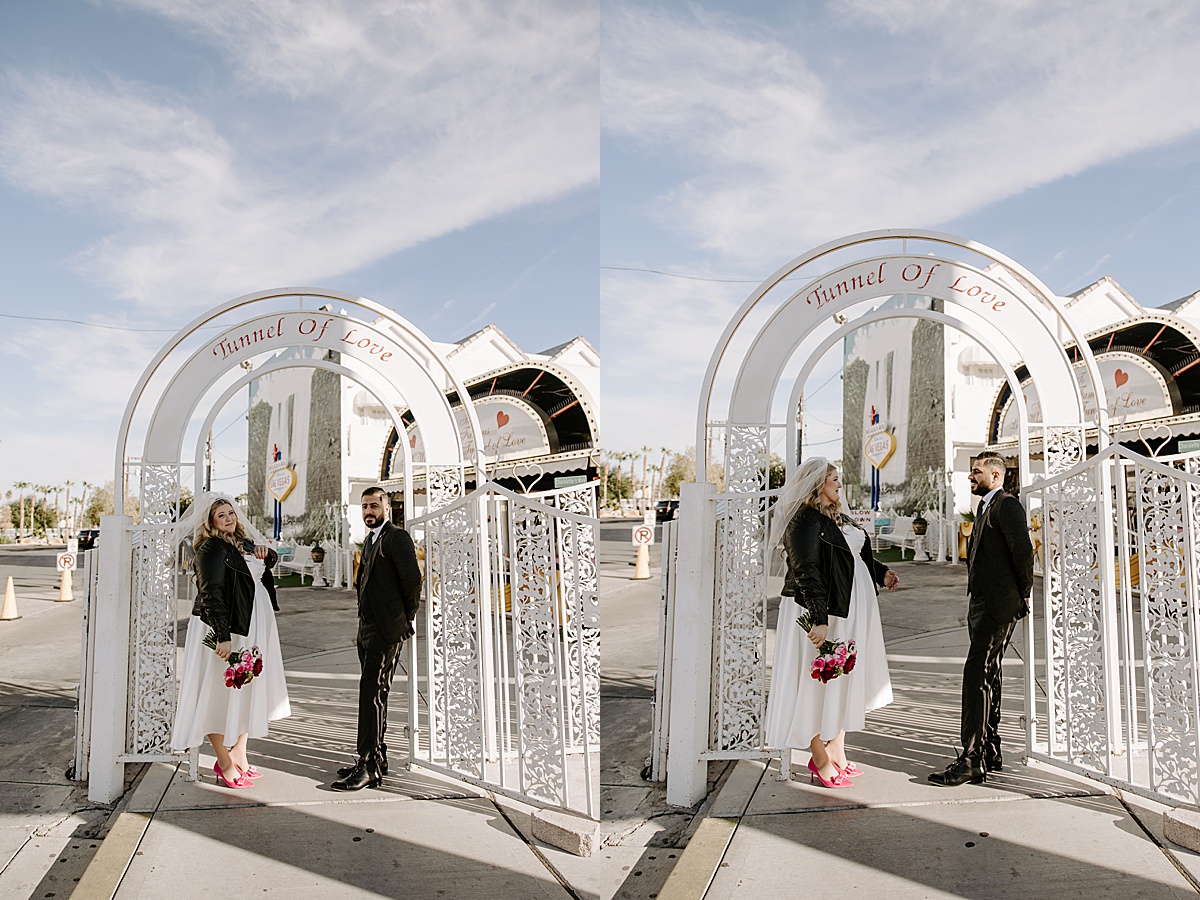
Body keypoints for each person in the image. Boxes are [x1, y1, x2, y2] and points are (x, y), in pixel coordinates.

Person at [764, 458, 899, 788]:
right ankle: (818, 757)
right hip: (817, 611)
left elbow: (855, 557)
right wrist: (818, 621)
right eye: (834, 479)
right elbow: (806, 571)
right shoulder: (804, 522)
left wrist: (881, 573)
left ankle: (837, 750)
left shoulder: (839, 517)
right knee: (813, 681)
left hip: (849, 611)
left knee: (839, 679)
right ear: (816, 485)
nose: (840, 485)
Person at [171, 495, 291, 788]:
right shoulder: (211, 548)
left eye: (230, 513)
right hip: (227, 628)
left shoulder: (243, 543)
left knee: (245, 689)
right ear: (210, 521)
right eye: (220, 515)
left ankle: (240, 755)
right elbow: (211, 591)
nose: (228, 518)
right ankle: (223, 761)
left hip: (252, 627)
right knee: (216, 693)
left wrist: (267, 554)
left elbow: (264, 567)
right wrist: (222, 636)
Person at [929, 453, 1033, 786]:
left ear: (997, 475)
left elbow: (1023, 552)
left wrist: (1022, 596)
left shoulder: (1007, 505)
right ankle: (990, 749)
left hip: (998, 605)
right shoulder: (984, 506)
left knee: (976, 674)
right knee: (989, 675)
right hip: (982, 603)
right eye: (971, 471)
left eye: (977, 472)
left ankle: (971, 758)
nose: (970, 477)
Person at [332, 486, 422, 791]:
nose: (368, 511)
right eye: (364, 507)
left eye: (374, 505)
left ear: (386, 507)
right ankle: (377, 757)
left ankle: (368, 764)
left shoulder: (396, 537)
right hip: (367, 628)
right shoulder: (371, 540)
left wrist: (402, 619)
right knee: (374, 693)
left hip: (386, 629)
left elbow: (412, 582)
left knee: (371, 693)